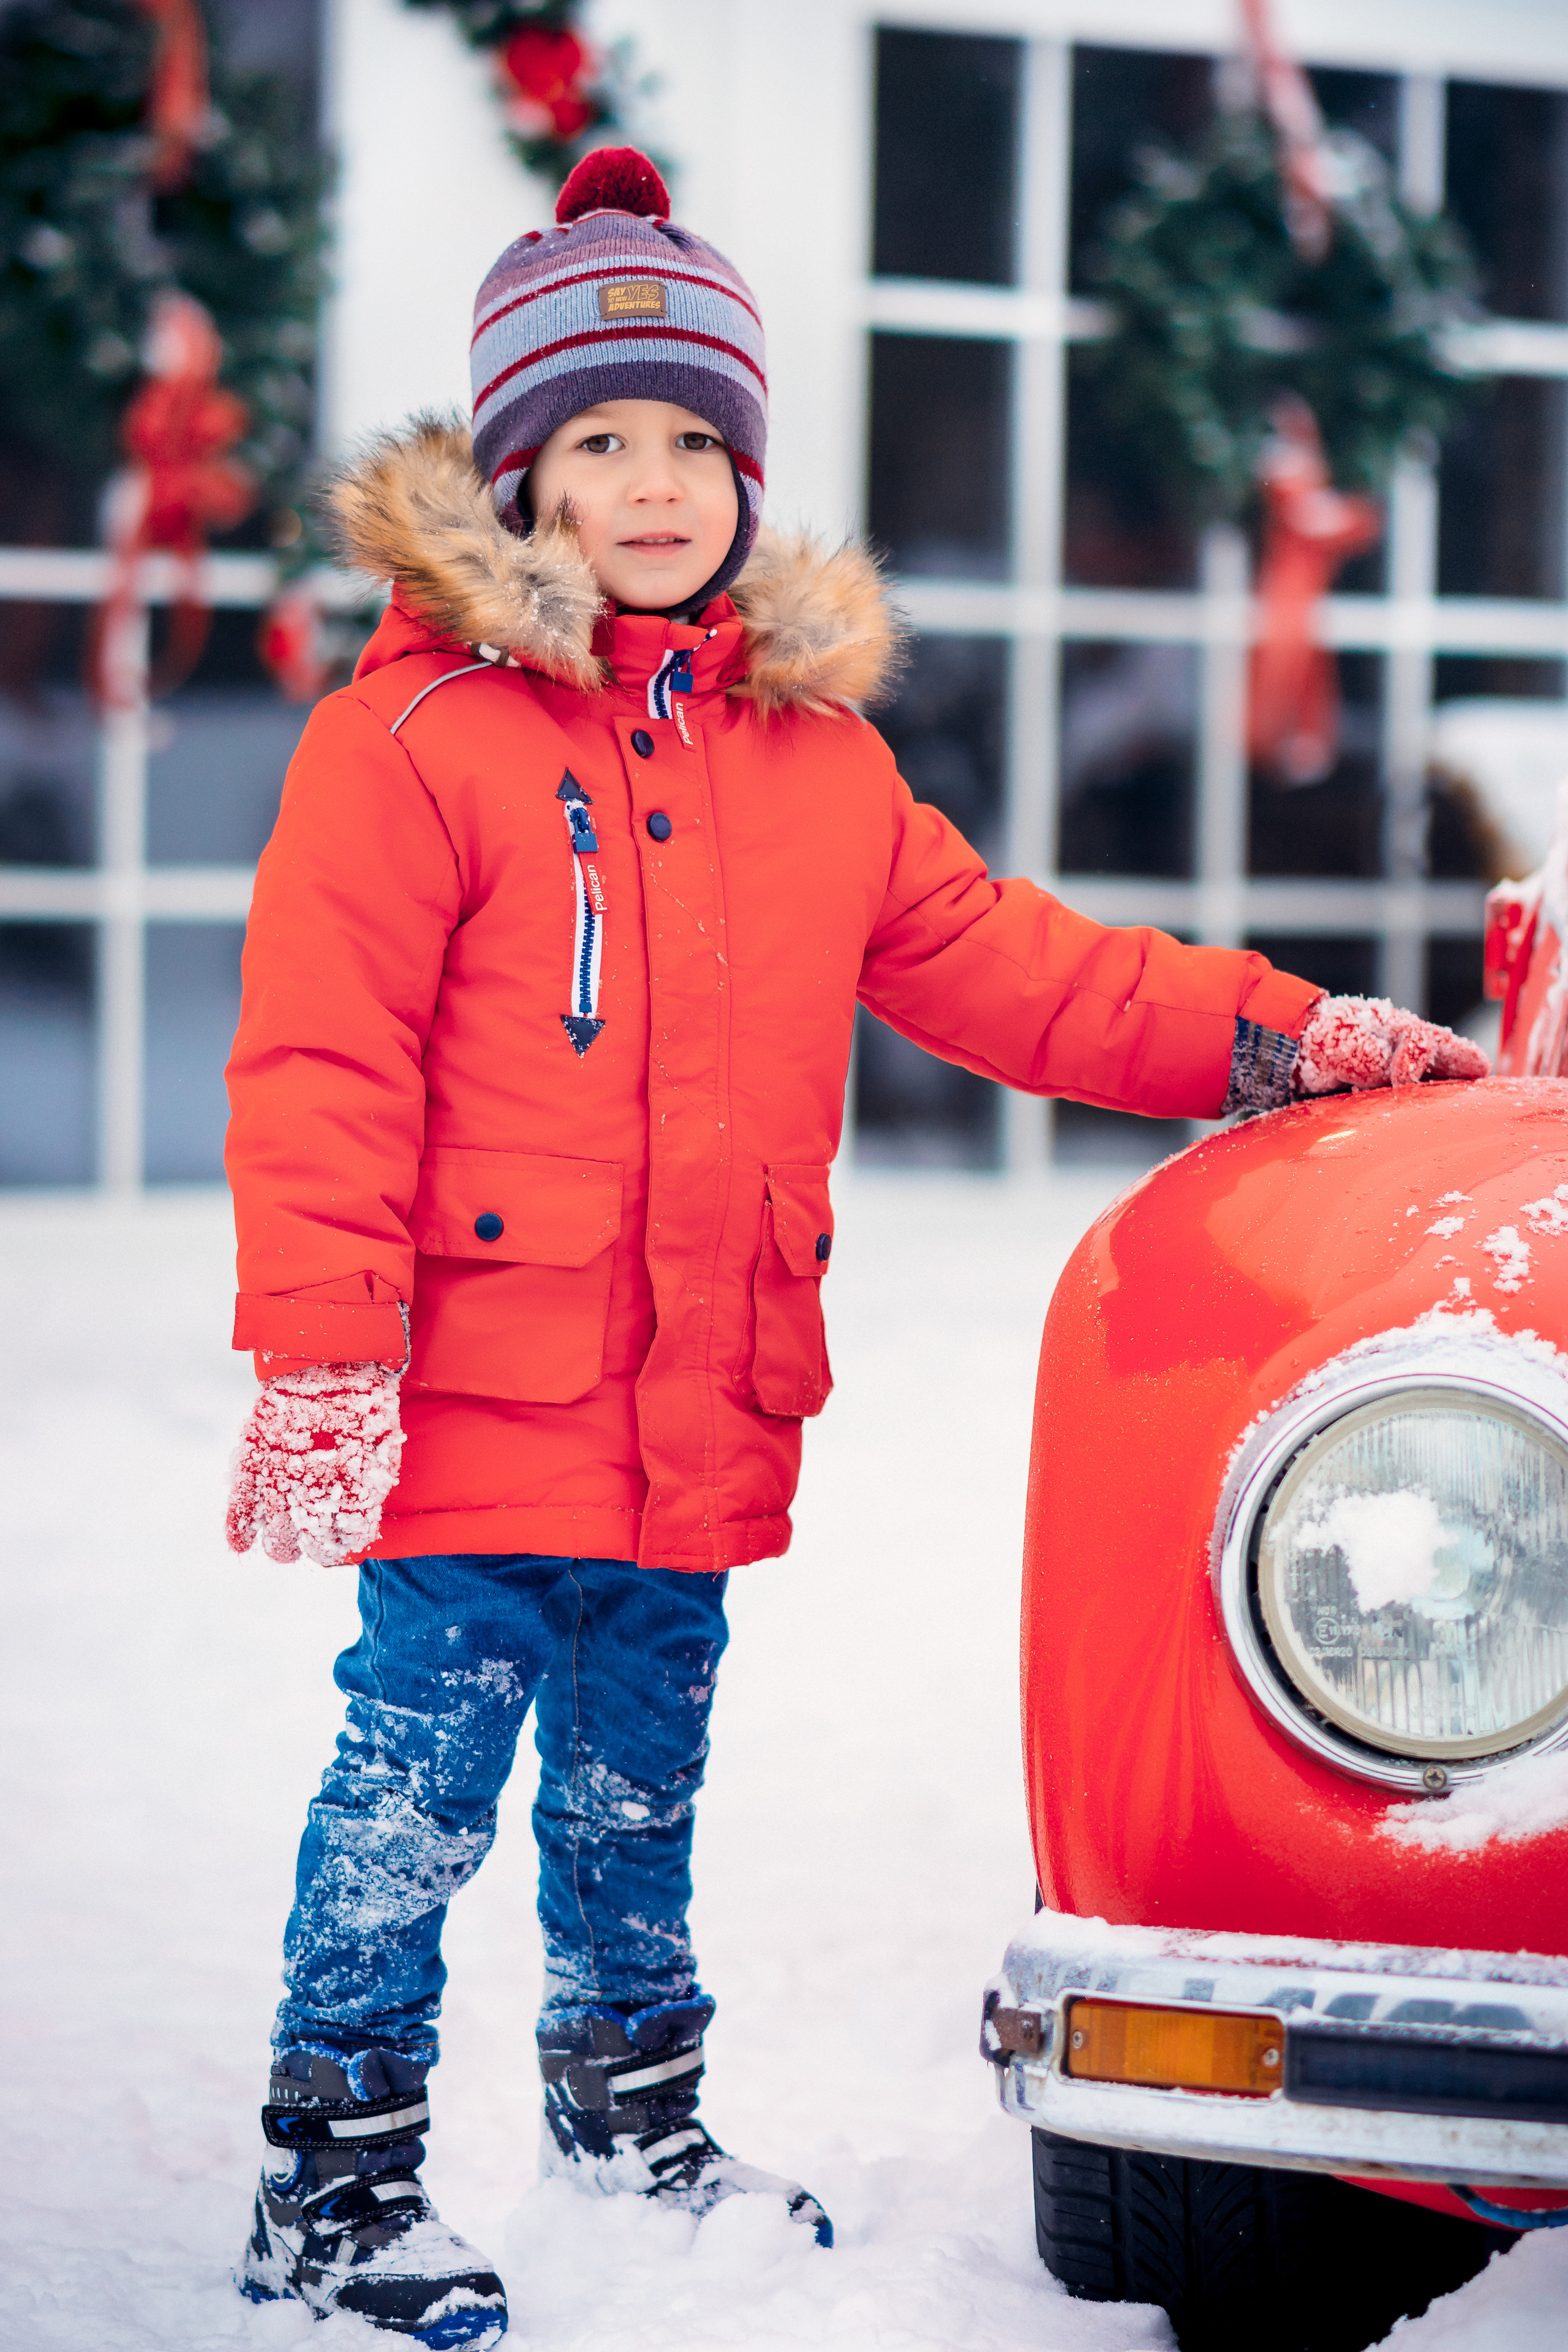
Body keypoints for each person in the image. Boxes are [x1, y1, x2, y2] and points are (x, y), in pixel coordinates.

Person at [222, 147, 1488, 2343]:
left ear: (748, 470)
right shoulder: (406, 744)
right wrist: (324, 1356)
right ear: (517, 474)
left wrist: (1279, 1039)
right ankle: (333, 2178)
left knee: (639, 1790)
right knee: (412, 1793)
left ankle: (635, 2125)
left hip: (703, 1404)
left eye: (695, 440)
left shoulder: (813, 769)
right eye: (601, 440)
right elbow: (318, 1066)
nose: (653, 483)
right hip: (480, 1403)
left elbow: (1026, 971)